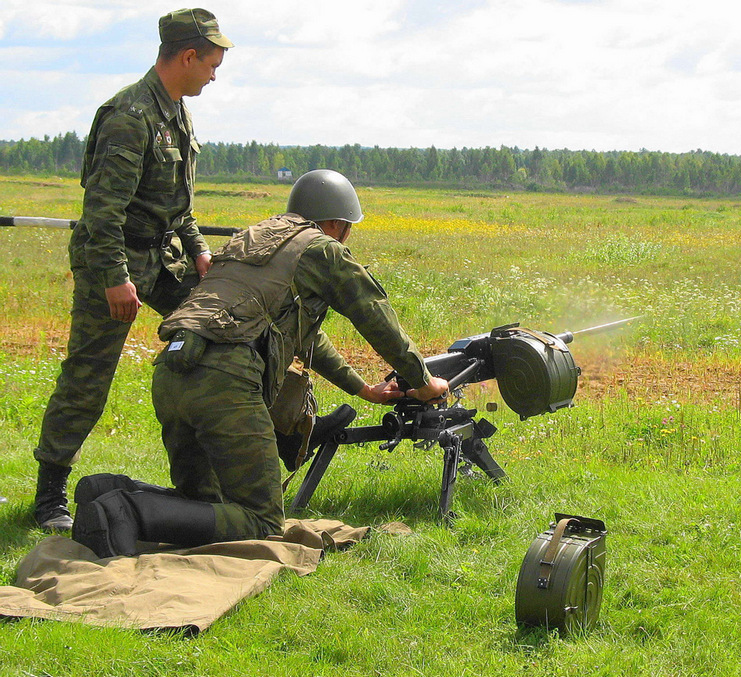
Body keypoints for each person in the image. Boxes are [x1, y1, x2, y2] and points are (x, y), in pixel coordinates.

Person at [71, 169, 449, 558]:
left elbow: (307, 337)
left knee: (205, 502)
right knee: (262, 521)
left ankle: (111, 494)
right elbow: (375, 316)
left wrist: (364, 389)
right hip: (226, 383)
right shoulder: (323, 249)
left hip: (172, 370)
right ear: (337, 223)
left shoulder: (254, 238)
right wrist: (422, 380)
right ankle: (127, 510)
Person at [32, 9, 233, 531]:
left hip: (162, 259)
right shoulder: (130, 115)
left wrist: (198, 251)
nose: (215, 74)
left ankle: (206, 475)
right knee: (89, 376)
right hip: (114, 259)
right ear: (187, 57)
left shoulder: (177, 111)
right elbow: (102, 214)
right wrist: (115, 280)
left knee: (218, 337)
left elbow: (178, 206)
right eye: (212, 63)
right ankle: (49, 493)